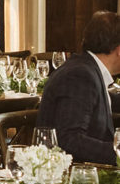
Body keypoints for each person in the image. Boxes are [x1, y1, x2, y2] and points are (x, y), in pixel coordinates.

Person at [37, 10, 120, 165]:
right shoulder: (80, 75)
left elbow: (103, 100)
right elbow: (69, 140)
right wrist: (117, 153)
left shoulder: (87, 67)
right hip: (72, 176)